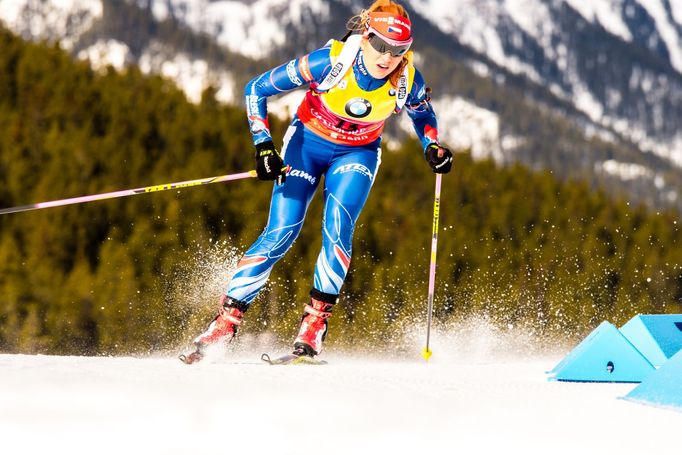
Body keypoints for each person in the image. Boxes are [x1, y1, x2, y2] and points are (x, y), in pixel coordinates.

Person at [180, 0, 452, 364]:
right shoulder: (329, 63)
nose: (388, 57)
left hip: (358, 154)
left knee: (338, 228)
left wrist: (431, 146)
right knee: (282, 231)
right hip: (307, 144)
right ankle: (224, 325)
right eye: (381, 45)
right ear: (366, 35)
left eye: (399, 50)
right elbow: (255, 89)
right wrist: (264, 147)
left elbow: (422, 113)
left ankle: (314, 326)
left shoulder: (406, 81)